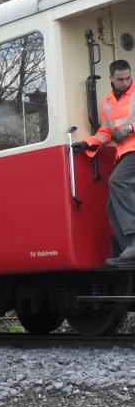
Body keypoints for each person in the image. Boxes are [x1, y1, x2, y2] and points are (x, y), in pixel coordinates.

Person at [73, 59, 135, 265]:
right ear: (111, 78)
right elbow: (106, 132)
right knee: (111, 205)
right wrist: (87, 142)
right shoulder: (108, 102)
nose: (125, 82)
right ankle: (129, 251)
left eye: (128, 78)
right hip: (124, 153)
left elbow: (126, 128)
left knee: (117, 182)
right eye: (120, 79)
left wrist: (131, 128)